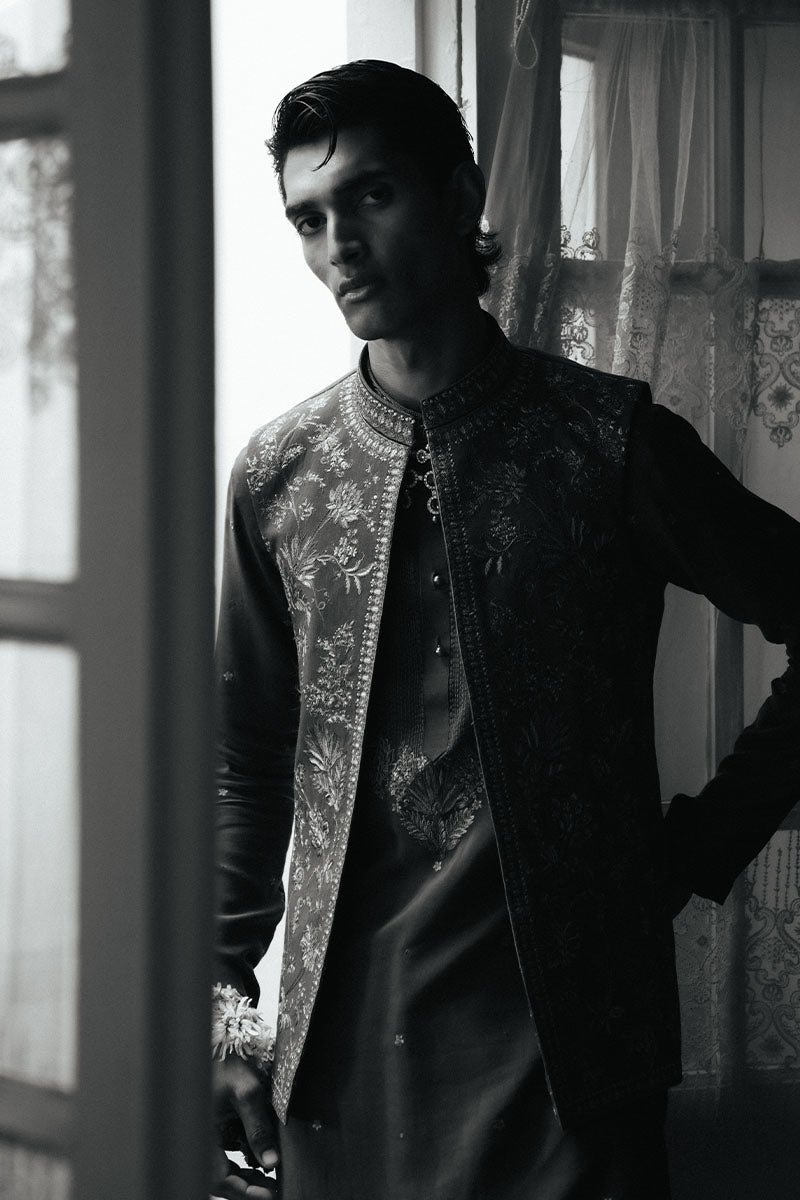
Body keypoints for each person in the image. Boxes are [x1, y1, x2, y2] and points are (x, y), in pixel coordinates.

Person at [210, 60, 800, 1200]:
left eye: (371, 195)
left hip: (570, 1062)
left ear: (458, 195)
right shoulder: (278, 476)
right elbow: (248, 758)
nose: (339, 244)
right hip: (343, 1063)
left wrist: (695, 849)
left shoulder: (605, 442)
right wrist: (222, 1006)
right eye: (308, 219)